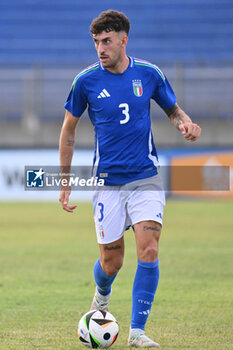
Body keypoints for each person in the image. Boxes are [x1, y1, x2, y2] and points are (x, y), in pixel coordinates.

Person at [59, 9, 201, 348]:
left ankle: (137, 332)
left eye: (106, 41)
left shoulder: (149, 74)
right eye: (96, 42)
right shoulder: (86, 81)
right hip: (107, 183)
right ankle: (102, 296)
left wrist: (185, 122)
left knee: (149, 249)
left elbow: (173, 110)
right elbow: (68, 131)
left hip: (146, 179)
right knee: (112, 261)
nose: (100, 49)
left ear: (124, 40)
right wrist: (65, 181)